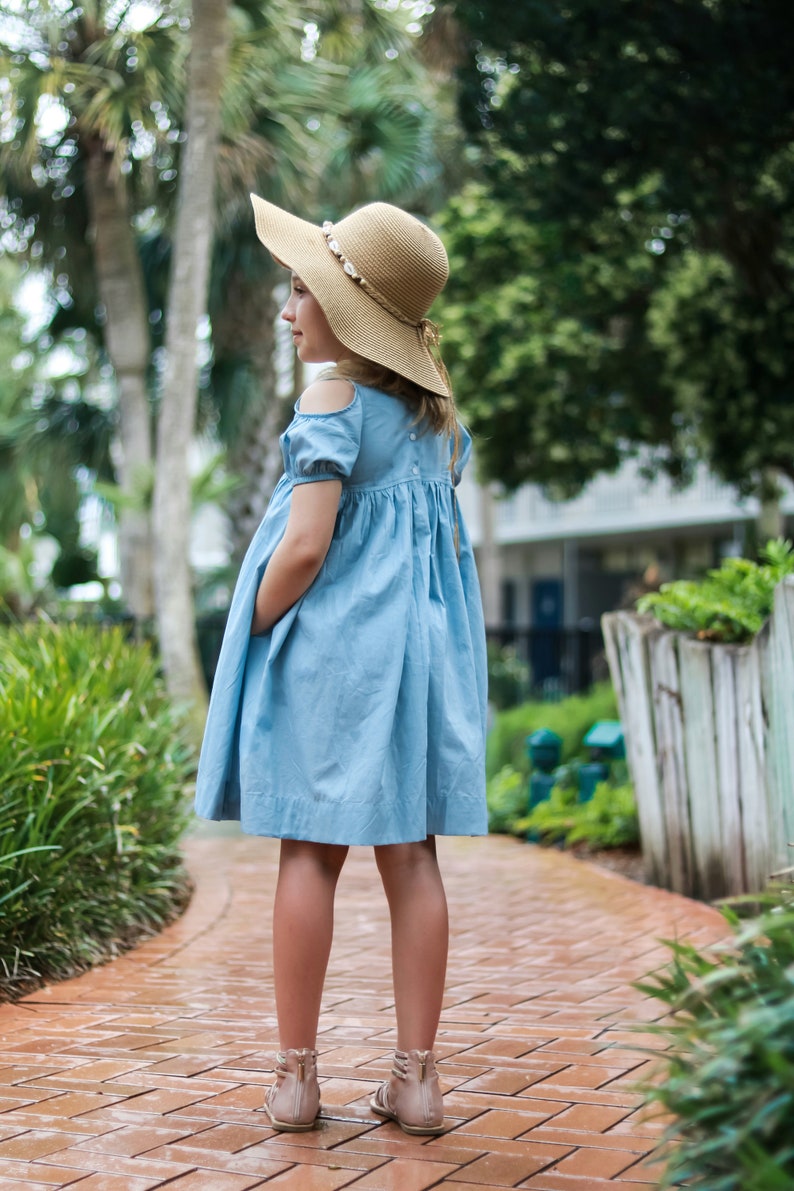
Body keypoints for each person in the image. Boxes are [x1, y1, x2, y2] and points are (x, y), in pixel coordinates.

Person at [194, 195, 488, 1135]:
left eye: (299, 292)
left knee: (310, 855)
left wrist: (251, 626)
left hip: (330, 659)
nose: (288, 312)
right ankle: (419, 1080)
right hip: (418, 665)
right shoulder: (439, 421)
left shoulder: (330, 398)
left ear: (343, 309)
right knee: (413, 859)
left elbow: (305, 546)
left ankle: (296, 1080)